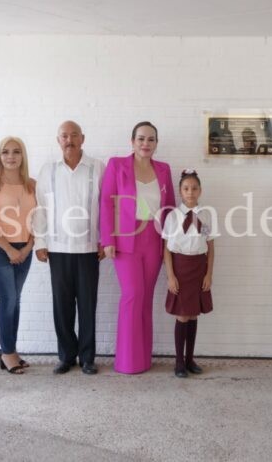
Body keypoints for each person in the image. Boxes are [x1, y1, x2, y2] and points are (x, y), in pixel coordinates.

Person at [100, 121, 176, 374]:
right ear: (132, 142)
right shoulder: (117, 165)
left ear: (156, 143)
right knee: (132, 295)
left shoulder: (164, 170)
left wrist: (171, 241)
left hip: (154, 239)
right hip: (126, 239)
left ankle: (143, 359)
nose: (146, 143)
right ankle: (127, 361)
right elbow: (106, 203)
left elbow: (171, 207)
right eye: (141, 139)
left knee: (145, 299)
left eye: (151, 139)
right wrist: (107, 240)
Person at [33, 121, 105, 375]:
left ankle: (87, 357)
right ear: (58, 140)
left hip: (88, 249)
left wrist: (105, 240)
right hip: (57, 248)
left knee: (87, 305)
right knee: (61, 306)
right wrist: (40, 243)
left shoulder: (97, 167)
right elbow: (40, 209)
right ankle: (66, 356)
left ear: (82, 138)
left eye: (74, 135)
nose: (69, 140)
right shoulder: (48, 170)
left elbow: (107, 206)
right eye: (64, 136)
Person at [0, 136, 36, 374]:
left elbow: (39, 220)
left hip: (25, 249)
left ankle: (10, 351)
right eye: (5, 152)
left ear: (23, 156)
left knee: (16, 300)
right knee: (8, 299)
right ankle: (7, 352)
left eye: (16, 152)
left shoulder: (32, 184)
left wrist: (28, 247)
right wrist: (10, 249)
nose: (11, 156)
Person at [162, 169, 216, 378]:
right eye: (186, 188)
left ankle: (190, 359)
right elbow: (167, 249)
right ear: (180, 191)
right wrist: (171, 276)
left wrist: (209, 274)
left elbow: (210, 247)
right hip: (180, 268)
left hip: (198, 268)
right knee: (182, 315)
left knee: (193, 314)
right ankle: (178, 362)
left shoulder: (205, 215)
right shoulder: (173, 217)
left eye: (194, 188)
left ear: (200, 190)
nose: (190, 192)